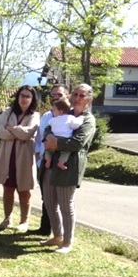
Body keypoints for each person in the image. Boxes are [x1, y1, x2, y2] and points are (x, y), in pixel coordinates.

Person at [40, 84, 96, 254]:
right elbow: (48, 128)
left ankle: (67, 242)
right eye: (75, 94)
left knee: (66, 205)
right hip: (51, 164)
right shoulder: (64, 112)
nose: (77, 98)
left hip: (69, 167)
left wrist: (54, 143)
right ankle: (57, 235)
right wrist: (48, 137)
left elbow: (78, 143)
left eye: (82, 95)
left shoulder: (88, 120)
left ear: (89, 99)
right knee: (49, 202)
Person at [0, 85, 40, 233]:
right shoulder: (8, 112)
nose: (24, 99)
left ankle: (24, 221)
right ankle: (7, 218)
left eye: (28, 96)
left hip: (24, 158)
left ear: (32, 99)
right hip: (7, 156)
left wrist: (11, 129)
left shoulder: (34, 115)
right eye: (22, 95)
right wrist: (18, 132)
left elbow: (28, 133)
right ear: (17, 96)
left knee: (24, 190)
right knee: (7, 188)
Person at [31, 84, 69, 236]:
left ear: (67, 96)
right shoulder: (46, 116)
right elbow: (39, 138)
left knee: (61, 201)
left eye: (58, 95)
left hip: (61, 163)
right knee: (46, 198)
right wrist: (37, 153)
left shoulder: (71, 117)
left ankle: (60, 234)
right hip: (44, 163)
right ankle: (45, 229)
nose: (55, 98)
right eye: (53, 95)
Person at [44, 98, 84, 170]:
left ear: (60, 111)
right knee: (66, 152)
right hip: (64, 139)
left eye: (54, 110)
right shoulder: (70, 118)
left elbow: (48, 125)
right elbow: (76, 125)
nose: (53, 111)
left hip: (53, 137)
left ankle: (48, 159)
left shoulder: (53, 119)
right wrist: (81, 118)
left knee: (48, 150)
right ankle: (61, 162)